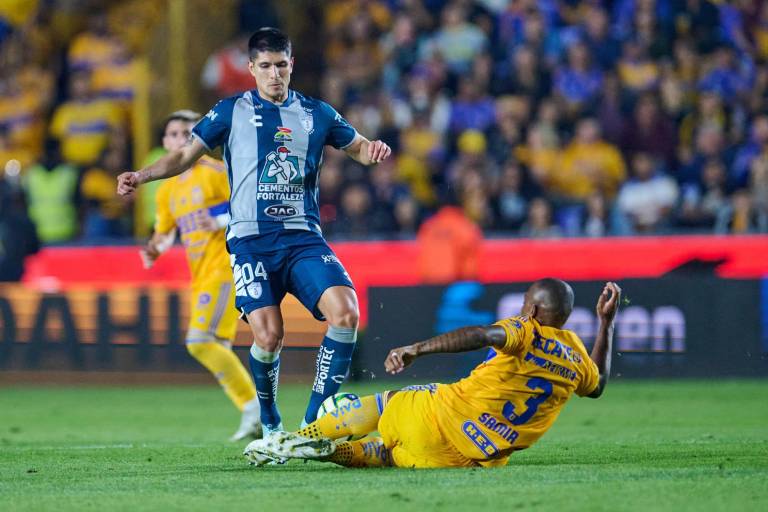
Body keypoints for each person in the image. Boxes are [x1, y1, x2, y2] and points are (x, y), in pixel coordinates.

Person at [117, 28, 392, 436]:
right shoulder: (230, 111)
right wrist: (141, 176)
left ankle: (313, 423)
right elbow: (184, 156)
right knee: (268, 335)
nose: (274, 75)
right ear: (251, 68)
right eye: (265, 66)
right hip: (251, 242)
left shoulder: (317, 113)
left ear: (291, 64)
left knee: (347, 313)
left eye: (281, 65)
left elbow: (359, 148)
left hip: (302, 237)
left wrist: (374, 150)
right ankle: (270, 424)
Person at [243, 279, 621, 469]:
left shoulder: (526, 330)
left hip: (437, 417)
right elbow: (599, 385)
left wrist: (417, 348)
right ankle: (333, 453)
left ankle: (297, 440)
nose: (522, 309)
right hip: (465, 460)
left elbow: (480, 335)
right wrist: (605, 324)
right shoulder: (576, 357)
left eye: (525, 303)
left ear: (534, 311)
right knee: (386, 454)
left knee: (389, 401)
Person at [140, 110, 259, 441]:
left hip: (226, 267)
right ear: (165, 142)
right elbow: (165, 231)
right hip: (201, 274)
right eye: (174, 133)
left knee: (199, 340)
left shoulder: (216, 171)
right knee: (215, 345)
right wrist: (155, 248)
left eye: (187, 133)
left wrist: (219, 220)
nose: (181, 139)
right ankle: (255, 414)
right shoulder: (167, 190)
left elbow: (250, 203)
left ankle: (255, 408)